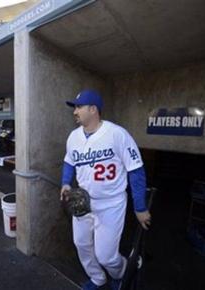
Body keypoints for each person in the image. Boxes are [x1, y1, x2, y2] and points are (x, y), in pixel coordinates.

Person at [60, 89, 151, 290]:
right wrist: (66, 183)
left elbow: (136, 171)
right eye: (74, 107)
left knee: (106, 255)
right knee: (82, 245)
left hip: (111, 204)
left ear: (93, 109)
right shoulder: (73, 137)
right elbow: (69, 162)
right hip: (82, 201)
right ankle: (97, 278)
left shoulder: (117, 134)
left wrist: (140, 207)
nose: (75, 111)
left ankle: (122, 271)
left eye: (79, 107)